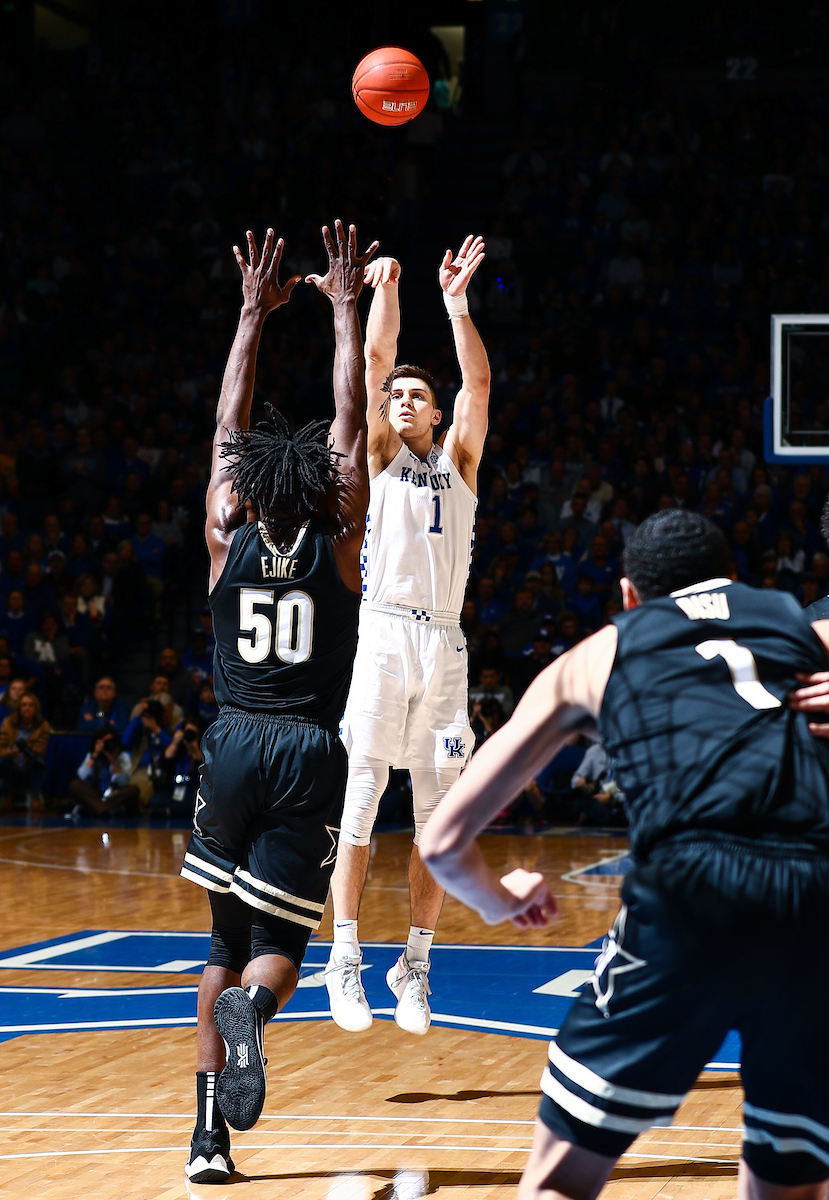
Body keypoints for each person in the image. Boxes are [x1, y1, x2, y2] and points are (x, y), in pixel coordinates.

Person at [420, 509, 829, 1200]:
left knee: (561, 1179)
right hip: (814, 900)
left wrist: (500, 900)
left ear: (629, 596)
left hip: (689, 893)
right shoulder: (802, 624)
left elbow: (441, 842)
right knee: (790, 1181)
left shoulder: (597, 654)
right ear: (732, 579)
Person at [181, 222, 372, 1185]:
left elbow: (228, 426)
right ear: (323, 491)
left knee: (221, 939)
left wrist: (253, 313)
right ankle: (256, 1011)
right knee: (279, 944)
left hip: (232, 742)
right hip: (307, 747)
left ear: (247, 492)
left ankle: (207, 1141)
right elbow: (349, 423)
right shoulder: (341, 545)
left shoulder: (226, 536)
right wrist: (345, 311)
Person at [325, 236, 490, 1038]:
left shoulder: (459, 462)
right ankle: (344, 956)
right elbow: (374, 359)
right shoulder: (384, 456)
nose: (402, 399)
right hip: (385, 636)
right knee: (360, 799)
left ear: (436, 411)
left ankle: (415, 964)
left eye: (417, 395)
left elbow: (479, 384)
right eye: (397, 395)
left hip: (446, 648)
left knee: (437, 820)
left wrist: (456, 303)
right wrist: (386, 288)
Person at [0, 692, 51, 810]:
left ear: (36, 708)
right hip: (12, 763)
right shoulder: (8, 723)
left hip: (29, 763)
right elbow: (0, 750)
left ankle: (35, 799)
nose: (27, 708)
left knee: (41, 761)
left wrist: (28, 751)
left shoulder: (43, 725)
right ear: (19, 708)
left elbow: (41, 749)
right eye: (24, 705)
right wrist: (9, 752)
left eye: (31, 705)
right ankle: (7, 798)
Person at [67, 725, 138, 817]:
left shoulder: (123, 757)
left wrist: (113, 761)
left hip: (114, 797)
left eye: (109, 742)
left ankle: (100, 809)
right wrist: (95, 755)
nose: (106, 745)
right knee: (75, 785)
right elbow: (82, 775)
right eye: (103, 742)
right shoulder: (92, 755)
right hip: (94, 795)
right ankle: (106, 810)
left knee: (133, 790)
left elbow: (124, 783)